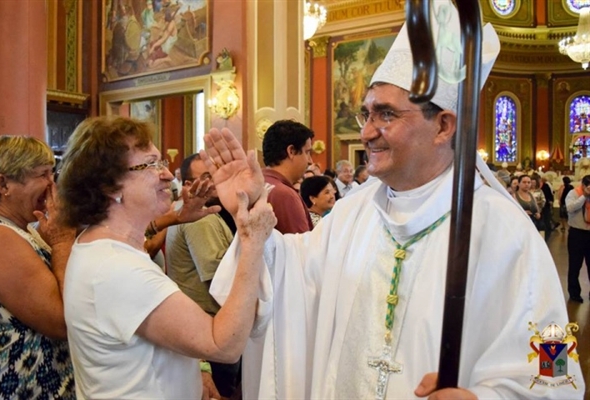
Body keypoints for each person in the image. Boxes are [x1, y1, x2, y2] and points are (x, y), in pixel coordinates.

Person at [203, 2, 584, 398]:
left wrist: (483, 398)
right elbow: (287, 278)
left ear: (443, 125)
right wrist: (249, 224)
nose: (366, 132)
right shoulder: (353, 212)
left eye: (386, 115)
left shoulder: (505, 231)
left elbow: (555, 369)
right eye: (366, 114)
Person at [57, 116, 276, 399]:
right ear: (110, 187)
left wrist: (196, 367)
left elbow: (154, 331)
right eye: (150, 165)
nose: (168, 175)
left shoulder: (104, 245)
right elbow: (224, 345)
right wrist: (252, 242)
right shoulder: (115, 269)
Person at [0, 136, 76, 399]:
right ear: (3, 184)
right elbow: (61, 321)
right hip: (23, 383)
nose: (53, 185)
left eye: (53, 173)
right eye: (42, 175)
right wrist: (62, 239)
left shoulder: (18, 229)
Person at [166, 154, 240, 398]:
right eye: (206, 178)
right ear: (187, 186)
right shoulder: (199, 218)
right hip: (207, 328)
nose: (215, 182)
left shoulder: (203, 212)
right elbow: (218, 277)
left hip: (203, 329)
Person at [262, 119, 314, 233]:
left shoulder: (258, 183)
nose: (310, 161)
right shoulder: (285, 195)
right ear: (291, 151)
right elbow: (300, 247)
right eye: (307, 152)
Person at [564, 174, 590, 303]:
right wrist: (584, 196)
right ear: (583, 185)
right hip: (577, 234)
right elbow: (570, 208)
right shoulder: (573, 193)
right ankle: (574, 293)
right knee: (575, 265)